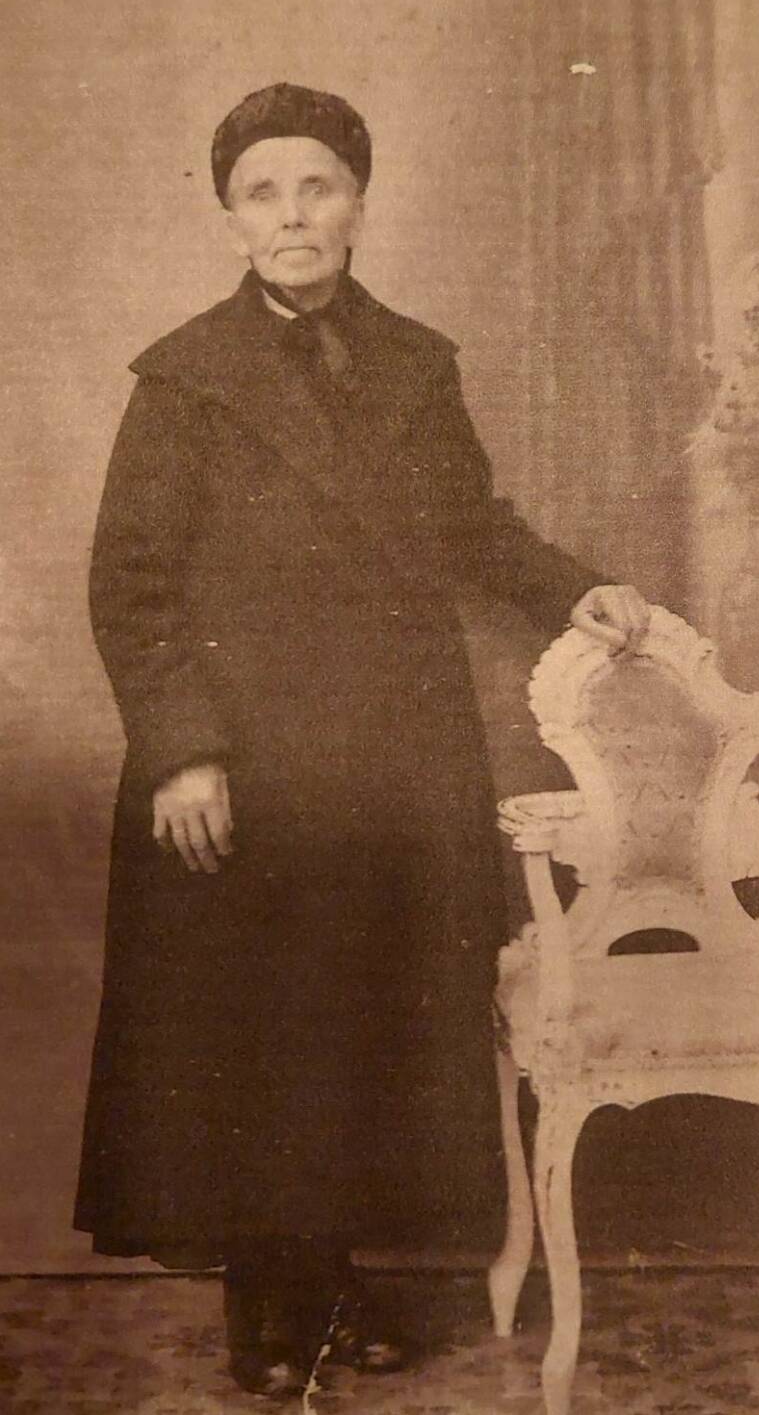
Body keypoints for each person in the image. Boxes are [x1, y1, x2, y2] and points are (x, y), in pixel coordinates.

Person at [75, 82, 650, 1400]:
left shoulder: (414, 362)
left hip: (391, 754)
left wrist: (580, 589)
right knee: (257, 1031)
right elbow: (132, 584)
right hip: (246, 764)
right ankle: (264, 1307)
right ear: (232, 220)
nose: (293, 215)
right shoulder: (183, 378)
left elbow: (474, 528)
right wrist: (183, 751)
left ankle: (334, 1285)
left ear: (357, 204)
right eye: (263, 193)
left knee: (359, 1031)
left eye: (317, 187)